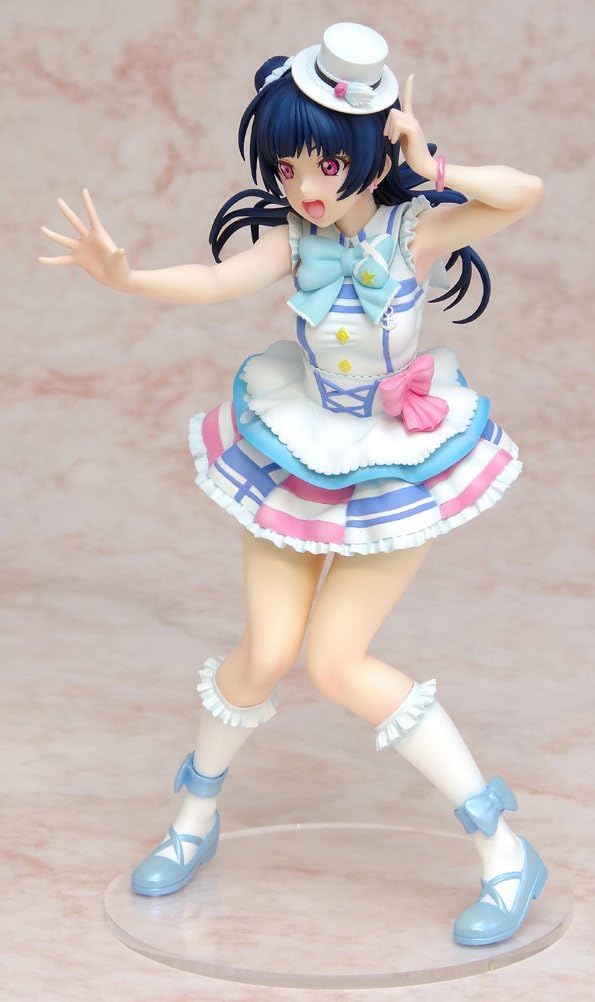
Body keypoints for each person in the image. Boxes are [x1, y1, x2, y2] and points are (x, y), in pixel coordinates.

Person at [39, 22, 547, 947]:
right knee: (265, 652)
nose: (306, 188)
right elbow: (212, 281)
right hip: (299, 449)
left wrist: (429, 161)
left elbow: (524, 195)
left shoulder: (414, 230)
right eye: (287, 169)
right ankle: (193, 818)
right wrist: (126, 277)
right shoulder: (293, 240)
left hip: (388, 466)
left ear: (368, 153)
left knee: (336, 665)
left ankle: (504, 851)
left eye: (326, 166)